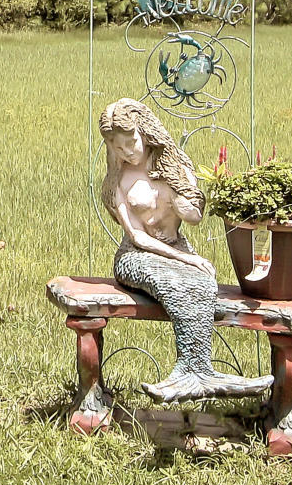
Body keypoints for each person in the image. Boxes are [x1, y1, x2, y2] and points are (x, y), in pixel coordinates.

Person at [98, 98, 271, 403]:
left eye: (130, 142)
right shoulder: (117, 182)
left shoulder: (173, 167)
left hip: (176, 245)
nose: (126, 151)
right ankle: (190, 372)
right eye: (116, 146)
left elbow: (195, 217)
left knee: (203, 282)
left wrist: (184, 204)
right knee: (175, 282)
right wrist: (186, 258)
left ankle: (200, 371)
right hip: (137, 255)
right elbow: (138, 237)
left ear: (145, 132)